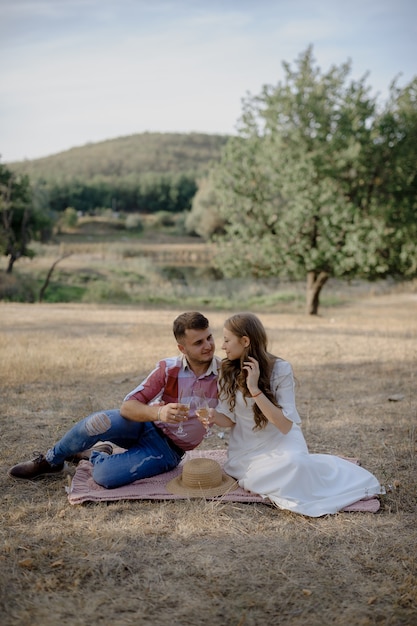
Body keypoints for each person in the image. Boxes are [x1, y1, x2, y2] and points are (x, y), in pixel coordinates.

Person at [9, 312, 220, 488]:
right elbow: (128, 407)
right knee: (97, 422)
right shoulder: (168, 368)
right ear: (182, 349)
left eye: (209, 338)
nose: (208, 346)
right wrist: (159, 413)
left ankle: (94, 454)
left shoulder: (224, 374)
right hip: (144, 425)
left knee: (104, 477)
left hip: (167, 450)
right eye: (198, 342)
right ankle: (51, 461)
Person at [209, 312, 384, 517]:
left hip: (283, 442)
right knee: (257, 477)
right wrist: (212, 416)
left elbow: (284, 425)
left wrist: (254, 389)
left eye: (227, 340)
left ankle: (328, 476)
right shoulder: (226, 371)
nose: (223, 346)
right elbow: (229, 419)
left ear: (245, 341)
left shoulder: (281, 369)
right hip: (246, 450)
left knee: (296, 464)